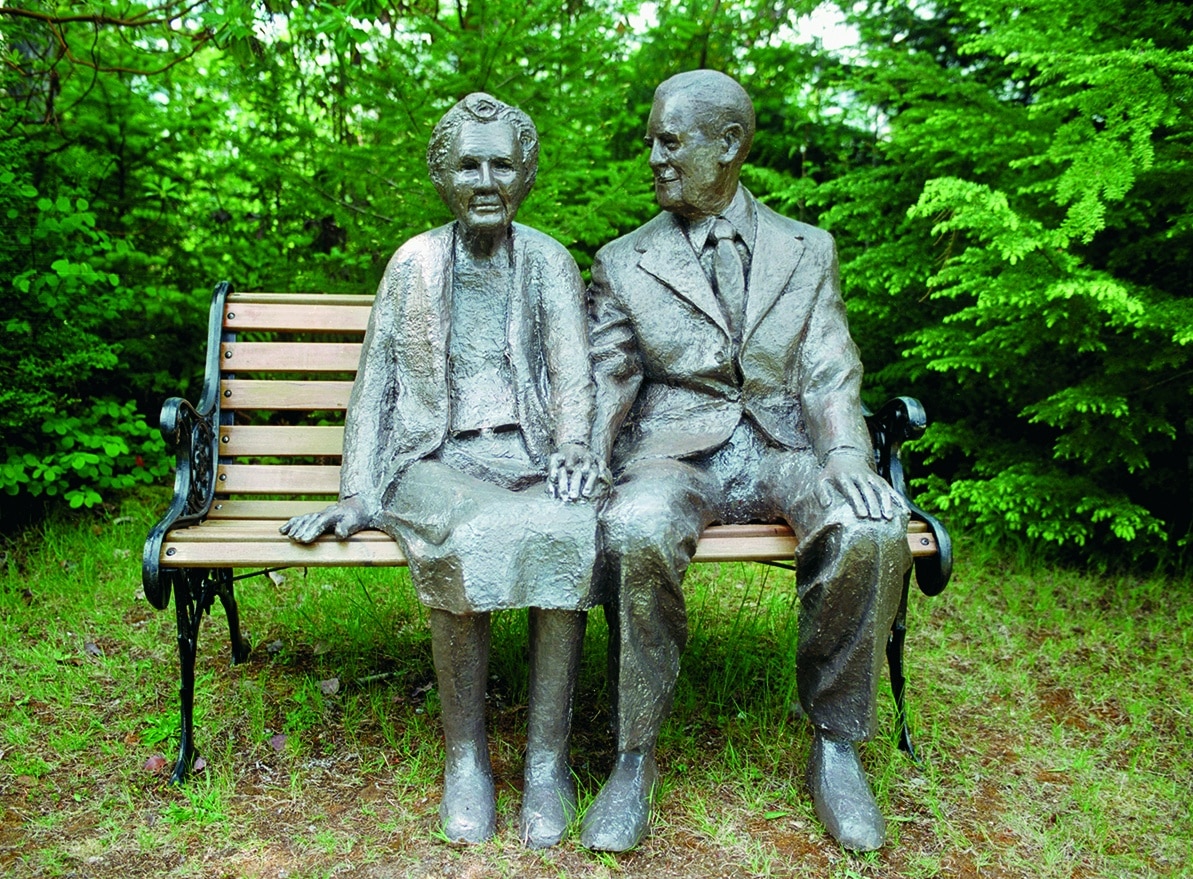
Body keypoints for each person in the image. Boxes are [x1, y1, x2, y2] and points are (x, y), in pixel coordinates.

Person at [581, 70, 911, 853]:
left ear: (728, 145)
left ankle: (834, 745)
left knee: (869, 525)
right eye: (652, 141)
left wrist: (842, 452)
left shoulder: (808, 248)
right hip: (675, 448)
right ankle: (632, 756)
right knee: (632, 528)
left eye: (670, 141)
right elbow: (608, 376)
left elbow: (829, 367)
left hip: (784, 442)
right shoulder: (624, 260)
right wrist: (587, 459)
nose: (654, 157)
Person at [281, 93, 607, 849]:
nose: (485, 179)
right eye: (468, 164)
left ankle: (547, 762)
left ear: (526, 175)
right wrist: (358, 492)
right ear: (442, 176)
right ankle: (466, 759)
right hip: (431, 458)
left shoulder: (550, 260)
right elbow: (374, 387)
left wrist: (571, 446)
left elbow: (573, 374)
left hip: (527, 452)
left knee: (566, 525)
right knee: (474, 533)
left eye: (501, 163)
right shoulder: (414, 264)